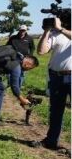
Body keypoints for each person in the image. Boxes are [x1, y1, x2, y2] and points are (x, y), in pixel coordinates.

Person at [32, 17, 71, 150]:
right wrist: (47, 30)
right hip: (57, 77)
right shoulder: (56, 35)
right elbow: (41, 51)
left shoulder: (64, 32)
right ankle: (51, 141)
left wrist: (61, 29)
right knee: (55, 111)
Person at [0, 45, 39, 125]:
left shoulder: (15, 56)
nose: (28, 70)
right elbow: (14, 86)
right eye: (30, 68)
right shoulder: (16, 67)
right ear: (28, 64)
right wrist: (22, 99)